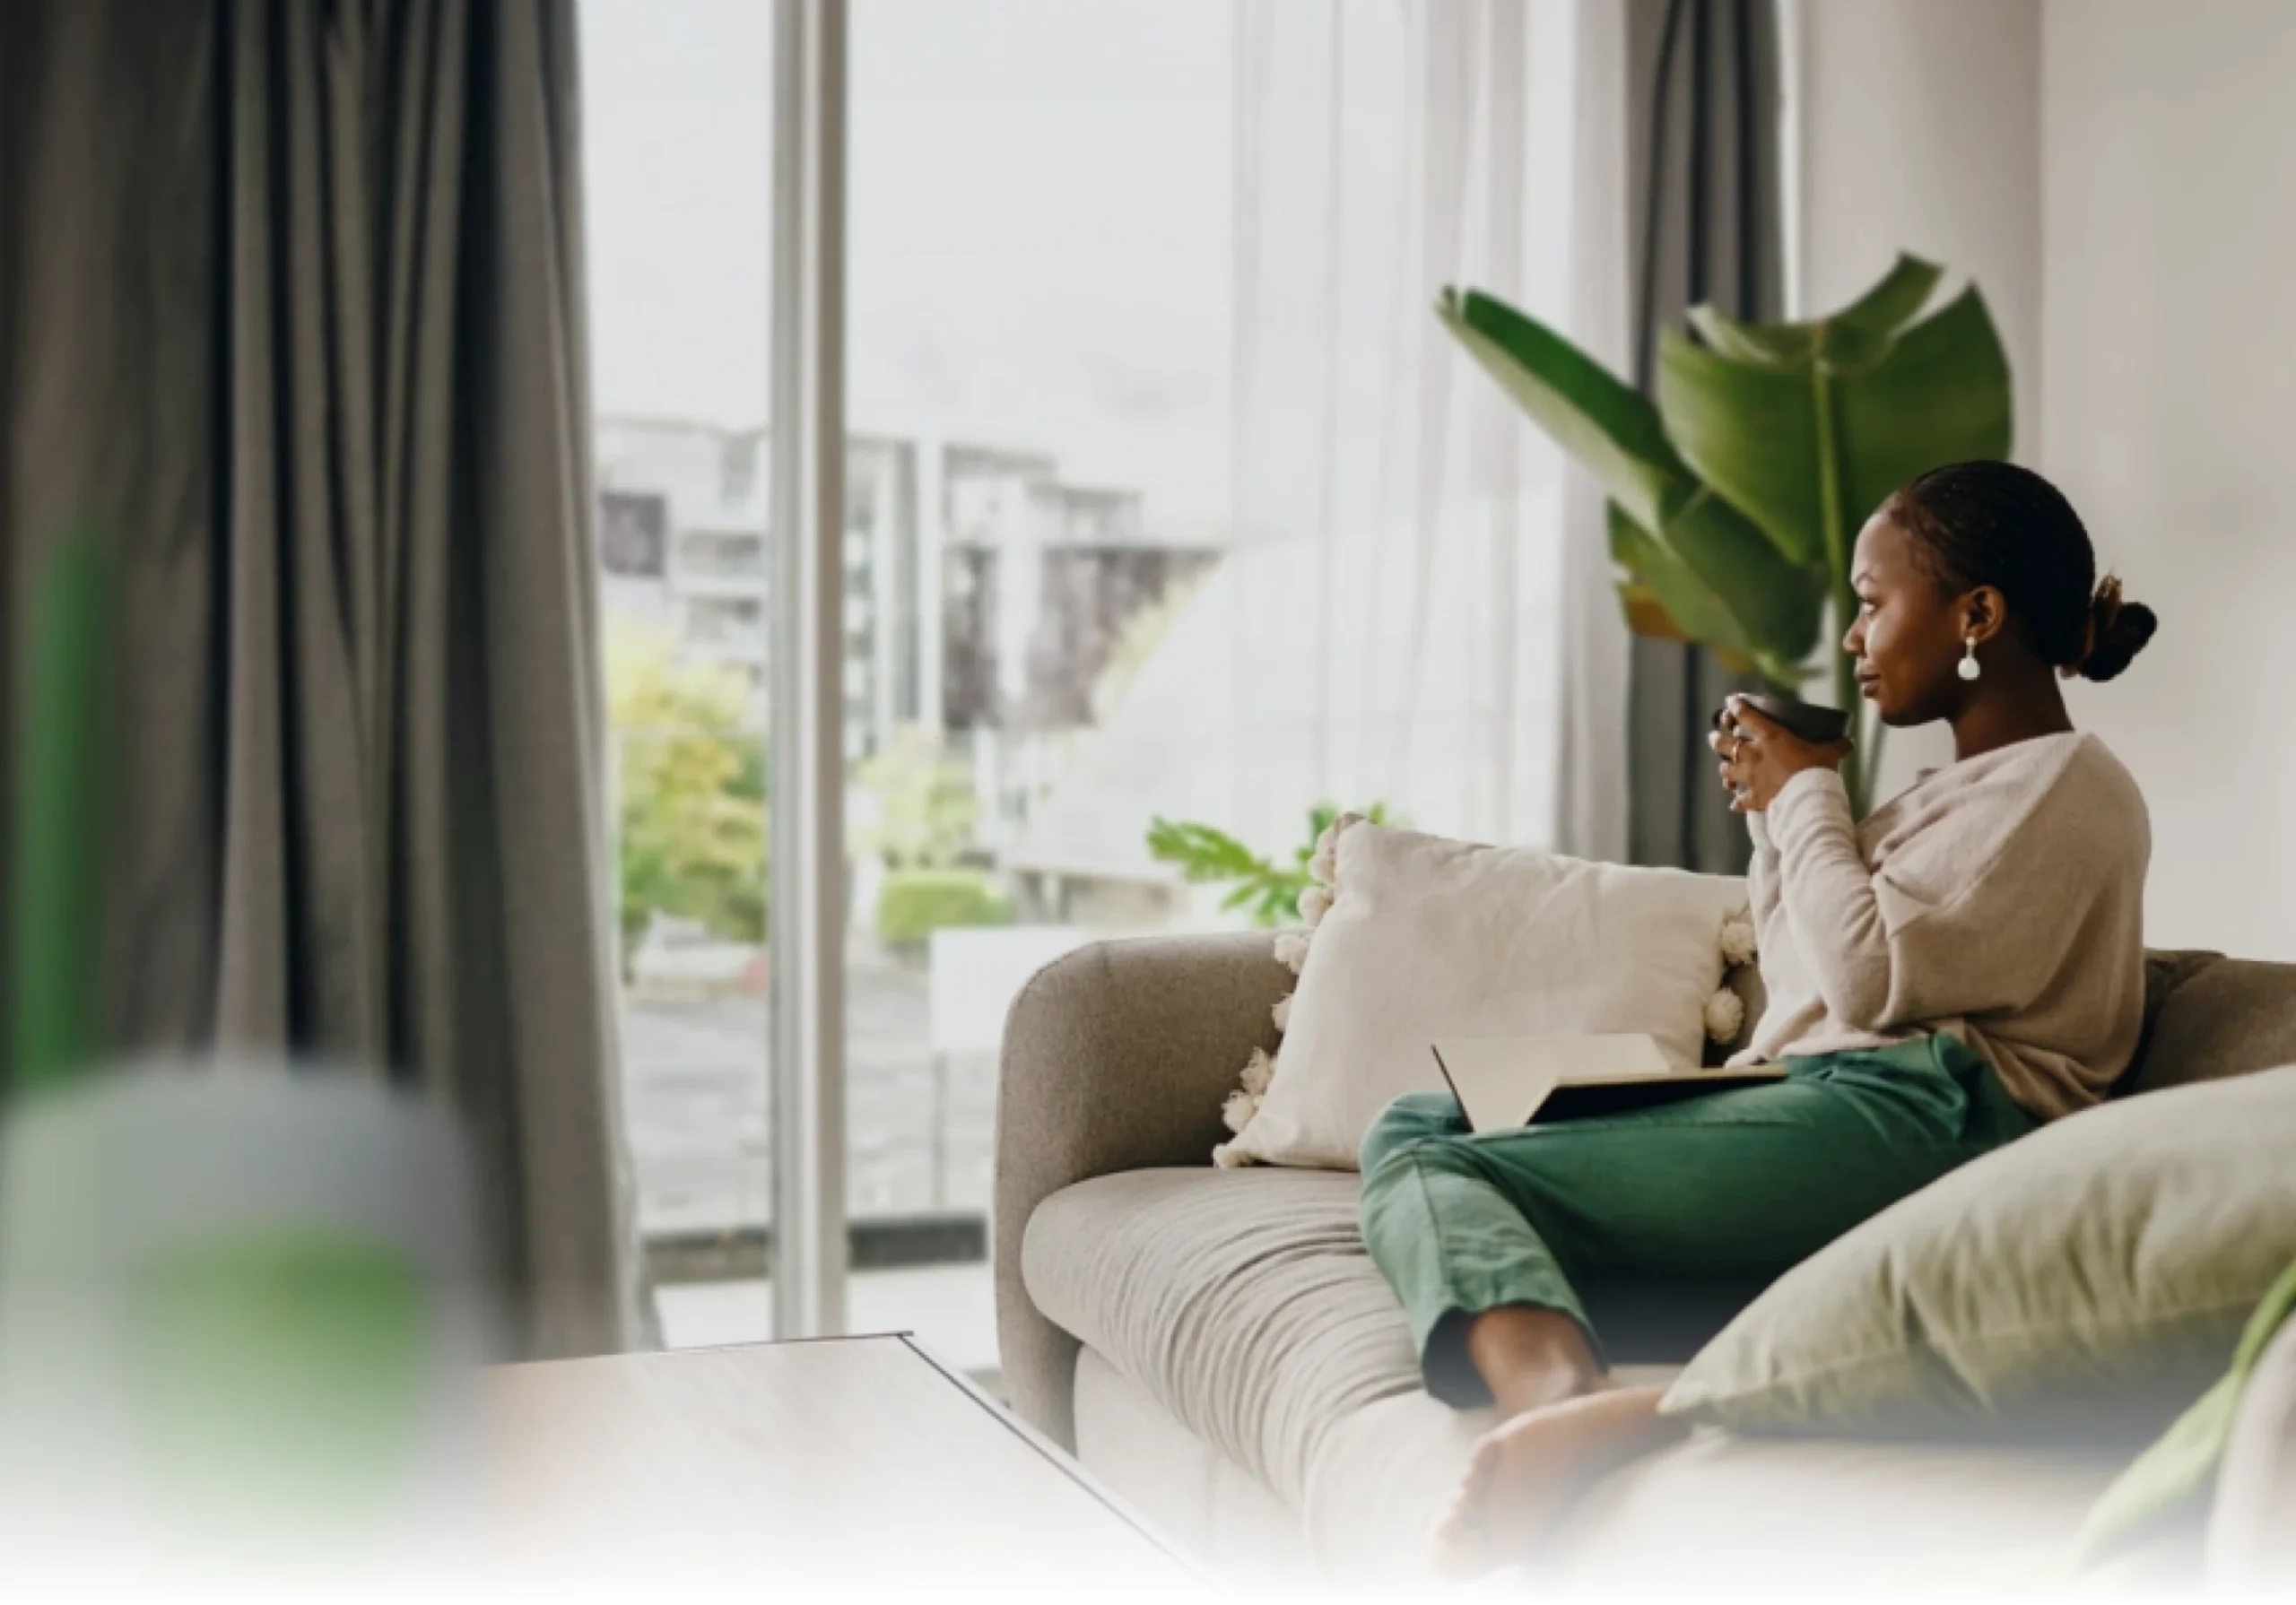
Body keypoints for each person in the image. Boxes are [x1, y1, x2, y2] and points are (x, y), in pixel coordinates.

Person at [1356, 460, 2160, 1575]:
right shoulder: (1948, 794)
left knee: (1463, 1174)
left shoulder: (2070, 787)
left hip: (1939, 1118)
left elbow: (1875, 983)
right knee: (1416, 1125)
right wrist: (1777, 823)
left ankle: (1561, 1402)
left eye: (1873, 602)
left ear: (1976, 615)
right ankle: (1609, 1369)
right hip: (1838, 1098)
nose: (1853, 637)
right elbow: (1806, 989)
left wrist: (1808, 795)